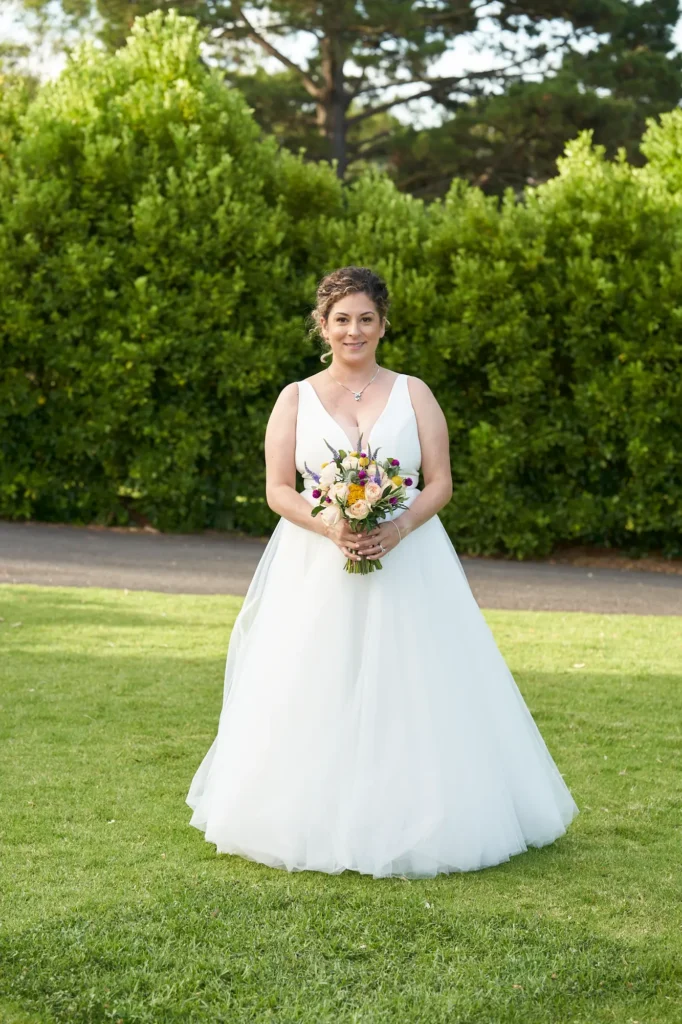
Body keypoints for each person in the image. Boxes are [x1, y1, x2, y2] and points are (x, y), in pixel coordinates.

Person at [186, 265, 579, 879]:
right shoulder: (294, 397)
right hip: (316, 563)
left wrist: (395, 528)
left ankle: (421, 812)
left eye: (366, 319)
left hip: (409, 559)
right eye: (341, 319)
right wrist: (331, 526)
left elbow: (440, 482)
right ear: (322, 325)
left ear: (383, 325)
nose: (354, 330)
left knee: (417, 683)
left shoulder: (414, 391)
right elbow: (278, 490)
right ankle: (308, 812)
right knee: (314, 679)